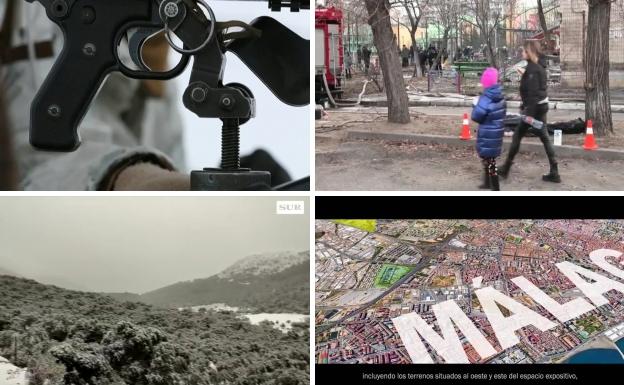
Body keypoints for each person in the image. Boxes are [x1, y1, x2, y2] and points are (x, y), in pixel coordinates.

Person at [498, 40, 560, 183]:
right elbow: (537, 88)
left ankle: (506, 168)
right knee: (544, 137)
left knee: (518, 135)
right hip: (541, 106)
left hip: (534, 109)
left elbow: (532, 93)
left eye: (523, 51)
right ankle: (554, 170)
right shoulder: (539, 66)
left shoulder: (533, 70)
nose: (521, 53)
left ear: (529, 52)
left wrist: (528, 115)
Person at [471, 68, 506, 191]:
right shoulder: (500, 96)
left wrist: (475, 105)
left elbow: (476, 116)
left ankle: (495, 188)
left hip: (487, 134)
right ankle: (487, 183)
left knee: (490, 162)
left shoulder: (485, 98)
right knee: (488, 159)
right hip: (496, 134)